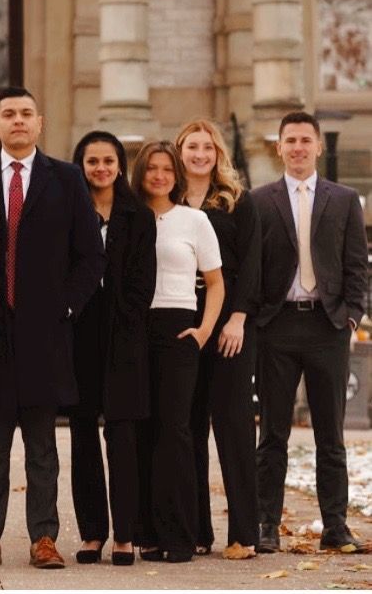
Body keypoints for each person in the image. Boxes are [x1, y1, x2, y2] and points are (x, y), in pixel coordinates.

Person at [0, 88, 105, 571]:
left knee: (43, 448)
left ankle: (44, 537)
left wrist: (65, 307)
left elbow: (90, 256)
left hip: (46, 335)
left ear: (39, 123)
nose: (18, 121)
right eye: (9, 115)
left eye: (26, 114)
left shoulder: (65, 179)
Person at [251, 111, 368, 555]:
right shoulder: (261, 201)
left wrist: (351, 317)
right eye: (290, 141)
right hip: (278, 326)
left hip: (328, 325)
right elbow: (253, 268)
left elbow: (357, 264)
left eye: (305, 140)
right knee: (273, 435)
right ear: (279, 147)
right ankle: (266, 525)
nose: (298, 147)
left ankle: (335, 526)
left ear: (318, 146)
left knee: (330, 435)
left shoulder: (344, 200)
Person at [131, 140, 224, 564]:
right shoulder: (128, 217)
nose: (160, 175)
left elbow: (216, 282)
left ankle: (181, 535)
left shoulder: (194, 220)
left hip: (179, 328)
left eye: (167, 169)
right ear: (141, 172)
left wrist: (204, 330)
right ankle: (147, 534)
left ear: (176, 175)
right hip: (135, 328)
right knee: (143, 431)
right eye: (152, 168)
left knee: (176, 431)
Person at [68, 130, 156, 566]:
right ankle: (91, 534)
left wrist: (127, 324)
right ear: (80, 165)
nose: (100, 168)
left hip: (124, 335)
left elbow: (144, 284)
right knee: (82, 433)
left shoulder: (137, 215)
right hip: (79, 332)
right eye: (91, 161)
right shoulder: (70, 212)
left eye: (107, 160)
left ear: (120, 165)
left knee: (122, 435)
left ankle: (124, 535)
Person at [175, 120, 261, 559]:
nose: (200, 154)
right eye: (193, 146)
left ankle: (245, 533)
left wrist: (239, 318)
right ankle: (195, 531)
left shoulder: (236, 203)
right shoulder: (165, 200)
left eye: (208, 147)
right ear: (180, 150)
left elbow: (251, 264)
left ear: (218, 154)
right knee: (186, 426)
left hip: (228, 323)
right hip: (179, 319)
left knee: (233, 427)